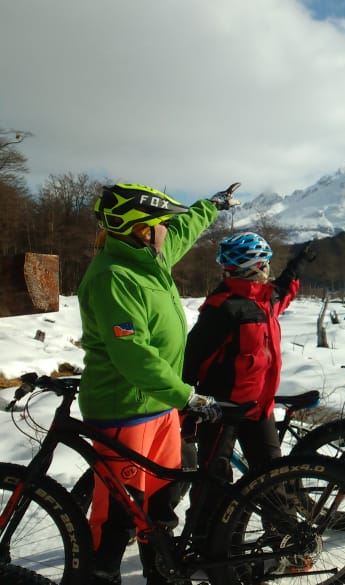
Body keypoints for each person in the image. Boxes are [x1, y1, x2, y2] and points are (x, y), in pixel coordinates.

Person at [78, 183, 238, 584]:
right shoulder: (114, 276)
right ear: (141, 230)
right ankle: (102, 573)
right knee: (119, 512)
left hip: (161, 406)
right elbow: (134, 356)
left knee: (162, 501)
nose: (168, 229)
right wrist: (189, 397)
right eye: (160, 223)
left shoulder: (150, 258)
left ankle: (161, 572)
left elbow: (185, 228)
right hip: (125, 409)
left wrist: (211, 206)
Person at [182, 232, 316, 543]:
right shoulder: (223, 309)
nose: (269, 269)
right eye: (266, 264)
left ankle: (284, 538)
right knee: (213, 481)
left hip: (260, 408)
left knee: (272, 475)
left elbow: (284, 290)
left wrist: (297, 265)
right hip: (222, 411)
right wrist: (187, 408)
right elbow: (190, 361)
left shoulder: (265, 299)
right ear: (255, 267)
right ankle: (204, 544)